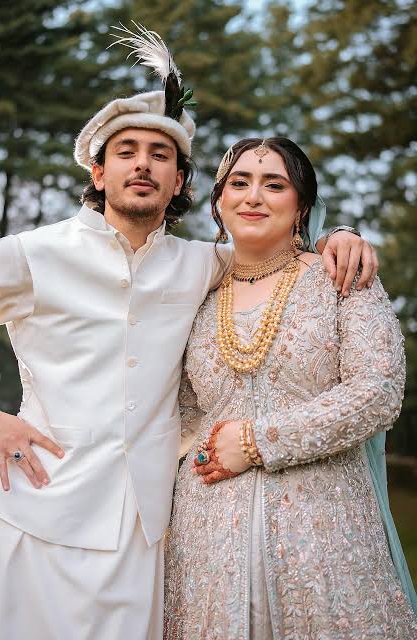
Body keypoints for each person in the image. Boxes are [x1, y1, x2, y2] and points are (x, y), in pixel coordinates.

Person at [0, 27, 375, 639]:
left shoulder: (202, 263)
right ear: (98, 172)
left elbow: (274, 245)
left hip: (142, 533)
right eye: (126, 151)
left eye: (160, 155)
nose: (143, 163)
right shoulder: (32, 254)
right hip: (35, 510)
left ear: (180, 184)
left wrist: (338, 235)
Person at [164, 136, 417, 639]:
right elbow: (180, 411)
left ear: (301, 206)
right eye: (240, 182)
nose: (254, 197)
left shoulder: (341, 276)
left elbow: (378, 389)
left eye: (274, 185)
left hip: (326, 538)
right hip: (207, 541)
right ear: (219, 201)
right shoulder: (195, 291)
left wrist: (258, 441)